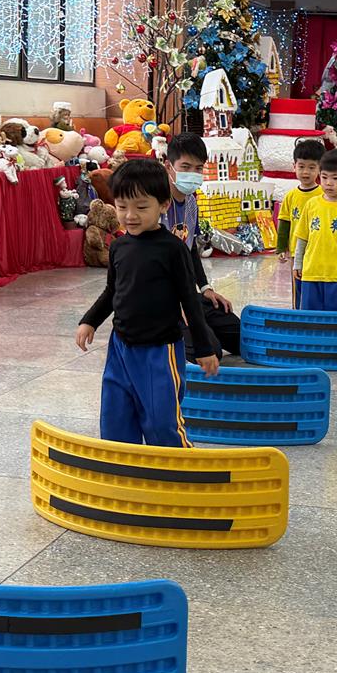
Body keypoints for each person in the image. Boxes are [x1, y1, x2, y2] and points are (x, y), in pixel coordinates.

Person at [77, 159, 219, 447]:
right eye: (122, 206)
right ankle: (124, 467)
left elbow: (189, 301)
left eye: (141, 207)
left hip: (159, 351)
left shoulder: (173, 249)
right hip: (120, 348)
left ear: (163, 205)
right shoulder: (118, 246)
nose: (130, 216)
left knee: (161, 421)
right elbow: (112, 291)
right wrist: (89, 320)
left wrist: (204, 348)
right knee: (116, 418)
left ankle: (176, 467)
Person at [161, 133, 242, 362]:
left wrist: (205, 288)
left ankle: (198, 323)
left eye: (198, 168)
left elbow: (189, 250)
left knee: (240, 337)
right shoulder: (156, 204)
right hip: (160, 298)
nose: (193, 174)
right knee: (209, 351)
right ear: (169, 166)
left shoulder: (191, 203)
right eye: (185, 167)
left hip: (186, 294)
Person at [292, 149, 337, 311]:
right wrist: (298, 263)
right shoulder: (311, 204)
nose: (328, 183)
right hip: (311, 273)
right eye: (324, 177)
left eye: (335, 178)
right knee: (310, 318)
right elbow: (302, 238)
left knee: (335, 319)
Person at [276, 138, 324, 308]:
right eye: (301, 166)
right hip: (297, 252)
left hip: (318, 250)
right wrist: (281, 248)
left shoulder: (323, 195)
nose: (306, 172)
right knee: (298, 285)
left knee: (316, 286)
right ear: (294, 166)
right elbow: (284, 222)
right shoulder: (291, 196)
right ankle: (298, 312)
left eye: (312, 167)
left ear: (320, 168)